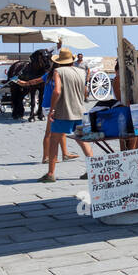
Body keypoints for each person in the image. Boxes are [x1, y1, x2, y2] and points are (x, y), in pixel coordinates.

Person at [39, 48, 94, 183]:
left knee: (54, 141)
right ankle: (92, 171)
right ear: (71, 60)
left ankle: (51, 173)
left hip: (63, 112)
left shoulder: (58, 71)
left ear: (59, 61)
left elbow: (57, 91)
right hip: (80, 111)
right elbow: (85, 91)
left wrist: (52, 109)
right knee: (83, 141)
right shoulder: (81, 72)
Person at [39, 62, 78, 165]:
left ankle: (65, 154)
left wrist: (24, 83)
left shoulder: (48, 75)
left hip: (47, 106)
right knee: (50, 132)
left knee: (61, 130)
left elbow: (36, 81)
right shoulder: (58, 75)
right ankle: (46, 157)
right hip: (52, 107)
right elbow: (58, 92)